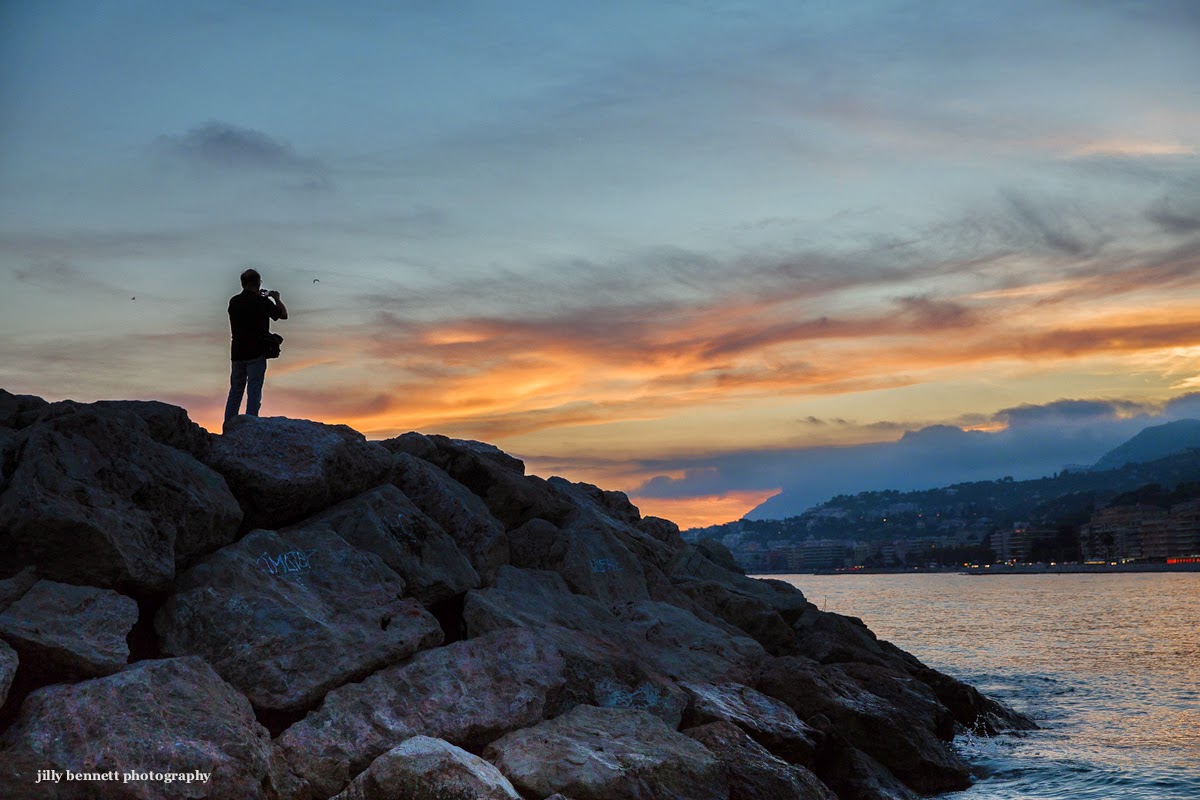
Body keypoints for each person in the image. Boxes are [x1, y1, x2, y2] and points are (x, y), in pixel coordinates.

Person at [223, 268, 288, 429]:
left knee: (235, 391)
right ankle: (250, 428)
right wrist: (276, 299)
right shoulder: (262, 302)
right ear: (258, 283)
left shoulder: (234, 301)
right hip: (257, 352)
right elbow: (283, 315)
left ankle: (228, 426)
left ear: (243, 283)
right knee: (254, 390)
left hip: (237, 352)